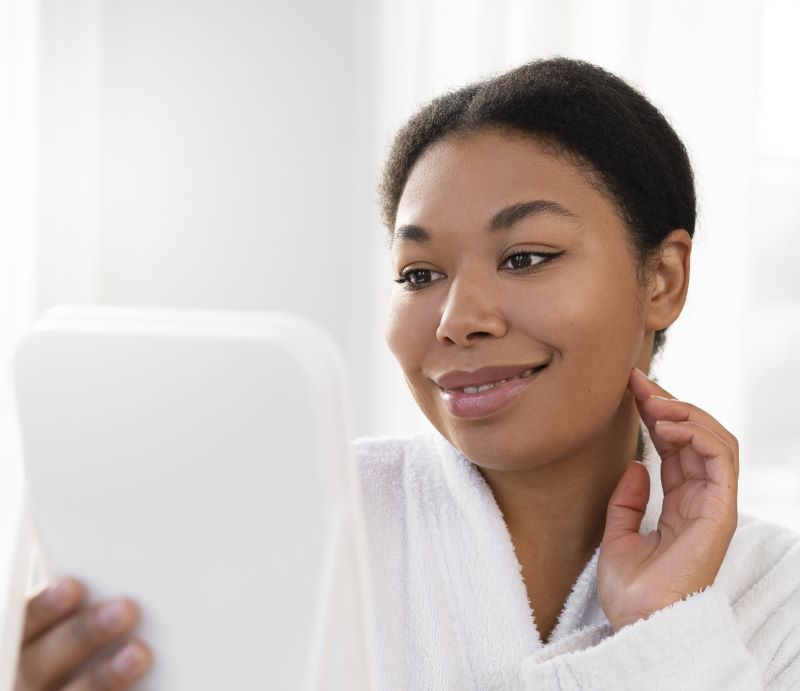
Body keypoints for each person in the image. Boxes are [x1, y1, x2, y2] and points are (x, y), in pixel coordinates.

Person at [14, 58, 800, 690]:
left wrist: (667, 630)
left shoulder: (776, 594)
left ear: (660, 278)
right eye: (419, 273)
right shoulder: (287, 526)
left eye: (526, 257)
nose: (458, 318)